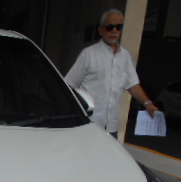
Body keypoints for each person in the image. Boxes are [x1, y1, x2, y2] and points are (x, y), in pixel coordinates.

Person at [64, 8, 158, 137]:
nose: (114, 31)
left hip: (112, 127)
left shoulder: (124, 56)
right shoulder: (88, 54)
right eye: (110, 27)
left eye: (118, 27)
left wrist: (148, 103)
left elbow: (132, 84)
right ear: (101, 30)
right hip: (89, 124)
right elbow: (69, 85)